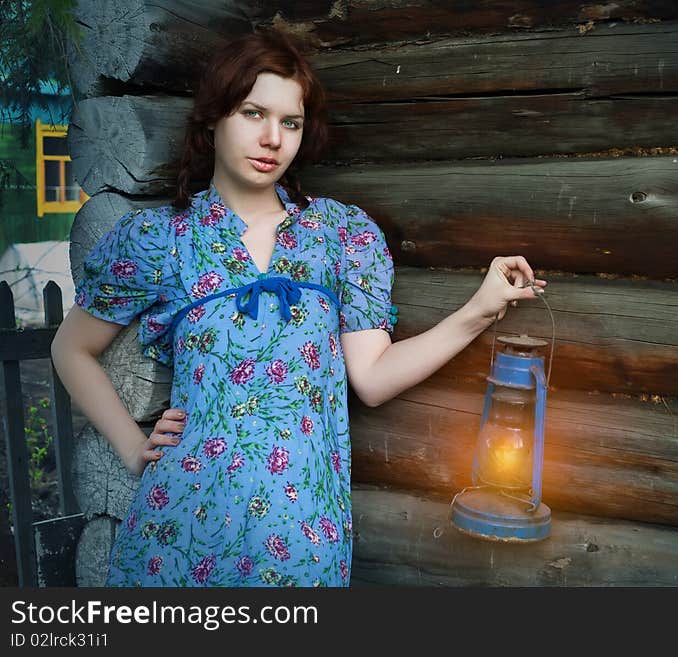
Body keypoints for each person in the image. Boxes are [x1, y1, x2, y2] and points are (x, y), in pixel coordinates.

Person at [51, 28, 546, 587]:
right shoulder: (161, 239)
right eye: (252, 113)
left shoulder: (338, 234)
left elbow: (374, 377)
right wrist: (133, 446)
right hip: (177, 537)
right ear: (213, 118)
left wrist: (479, 309)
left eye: (290, 122)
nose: (272, 139)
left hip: (300, 541)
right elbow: (70, 349)